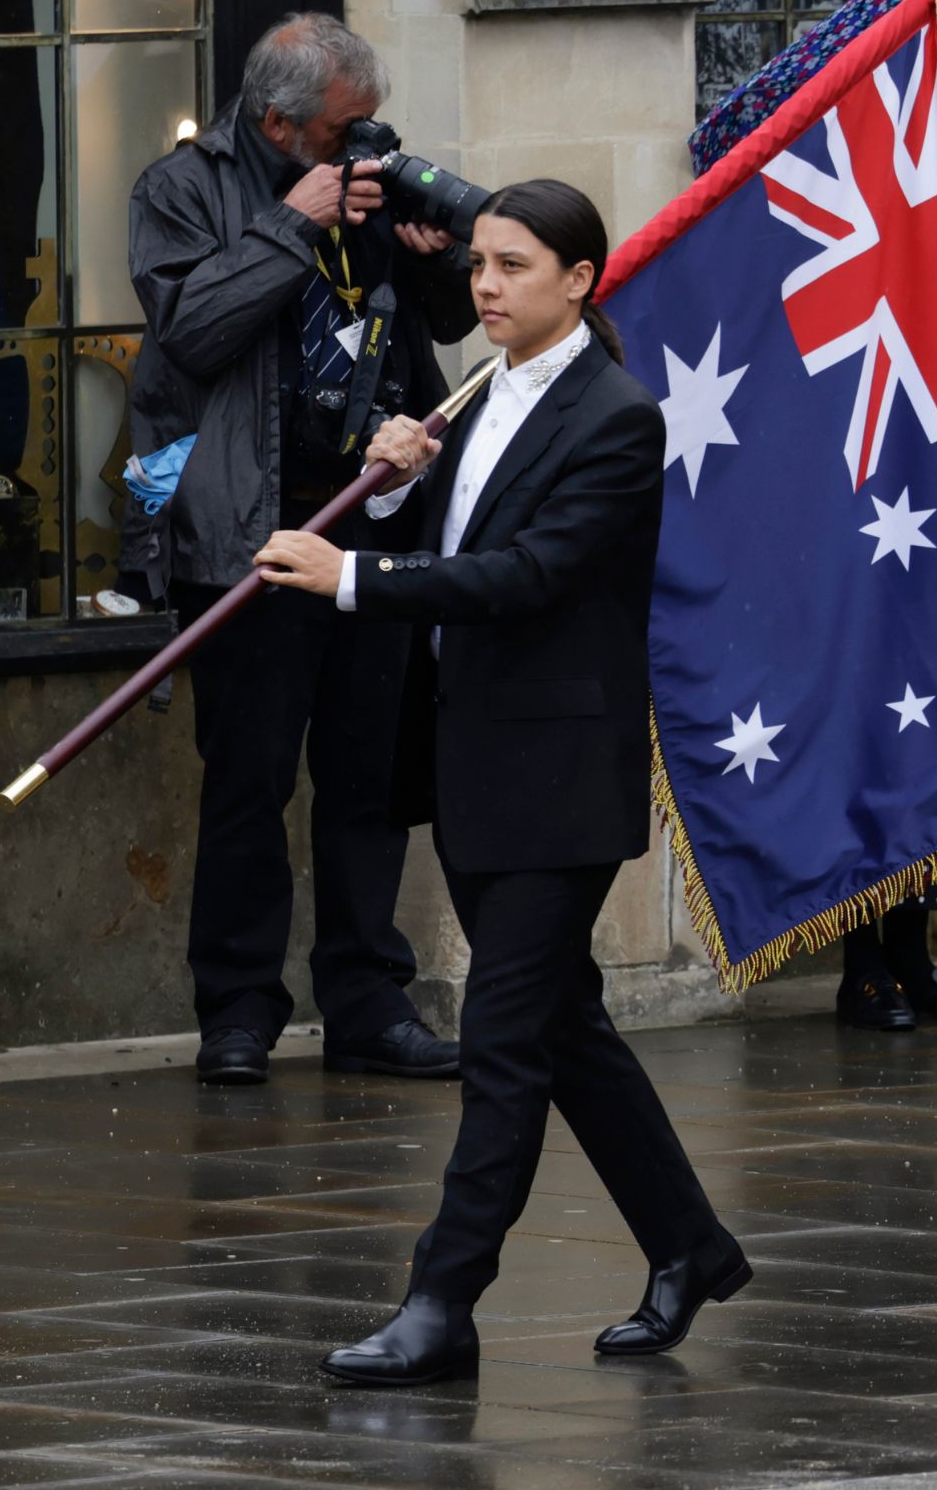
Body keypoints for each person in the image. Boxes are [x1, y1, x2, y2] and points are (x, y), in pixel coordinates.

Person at [254, 178, 752, 1386]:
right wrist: (405, 476)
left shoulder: (618, 416)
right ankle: (691, 1247)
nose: (485, 285)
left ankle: (444, 1299)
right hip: (474, 762)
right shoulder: (479, 391)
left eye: (514, 266)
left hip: (556, 782)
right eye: (478, 264)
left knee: (502, 1038)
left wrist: (352, 577)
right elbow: (467, 533)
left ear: (579, 281)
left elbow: (526, 577)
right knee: (561, 1028)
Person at [120, 13, 479, 1086]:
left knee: (367, 782)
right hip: (253, 540)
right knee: (248, 783)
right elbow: (190, 332)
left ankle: (369, 1000)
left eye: (366, 124)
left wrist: (431, 259)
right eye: (339, 130)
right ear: (278, 123)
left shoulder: (367, 172)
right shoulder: (180, 189)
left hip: (374, 531)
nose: (360, 144)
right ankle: (237, 1013)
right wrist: (291, 221)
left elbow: (449, 323)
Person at [836, 42, 937, 1033]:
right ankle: (865, 962)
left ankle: (918, 955)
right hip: (896, 477)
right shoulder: (880, 60)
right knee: (885, 719)